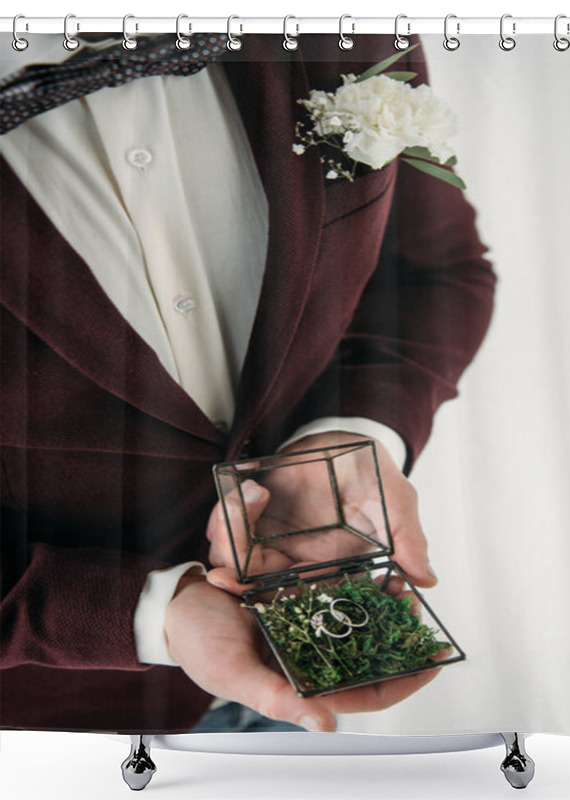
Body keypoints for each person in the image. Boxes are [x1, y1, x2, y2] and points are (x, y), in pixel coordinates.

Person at [0, 32, 495, 734]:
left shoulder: (339, 25)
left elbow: (432, 272)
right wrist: (150, 615)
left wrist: (347, 438)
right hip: (53, 719)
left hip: (295, 667)